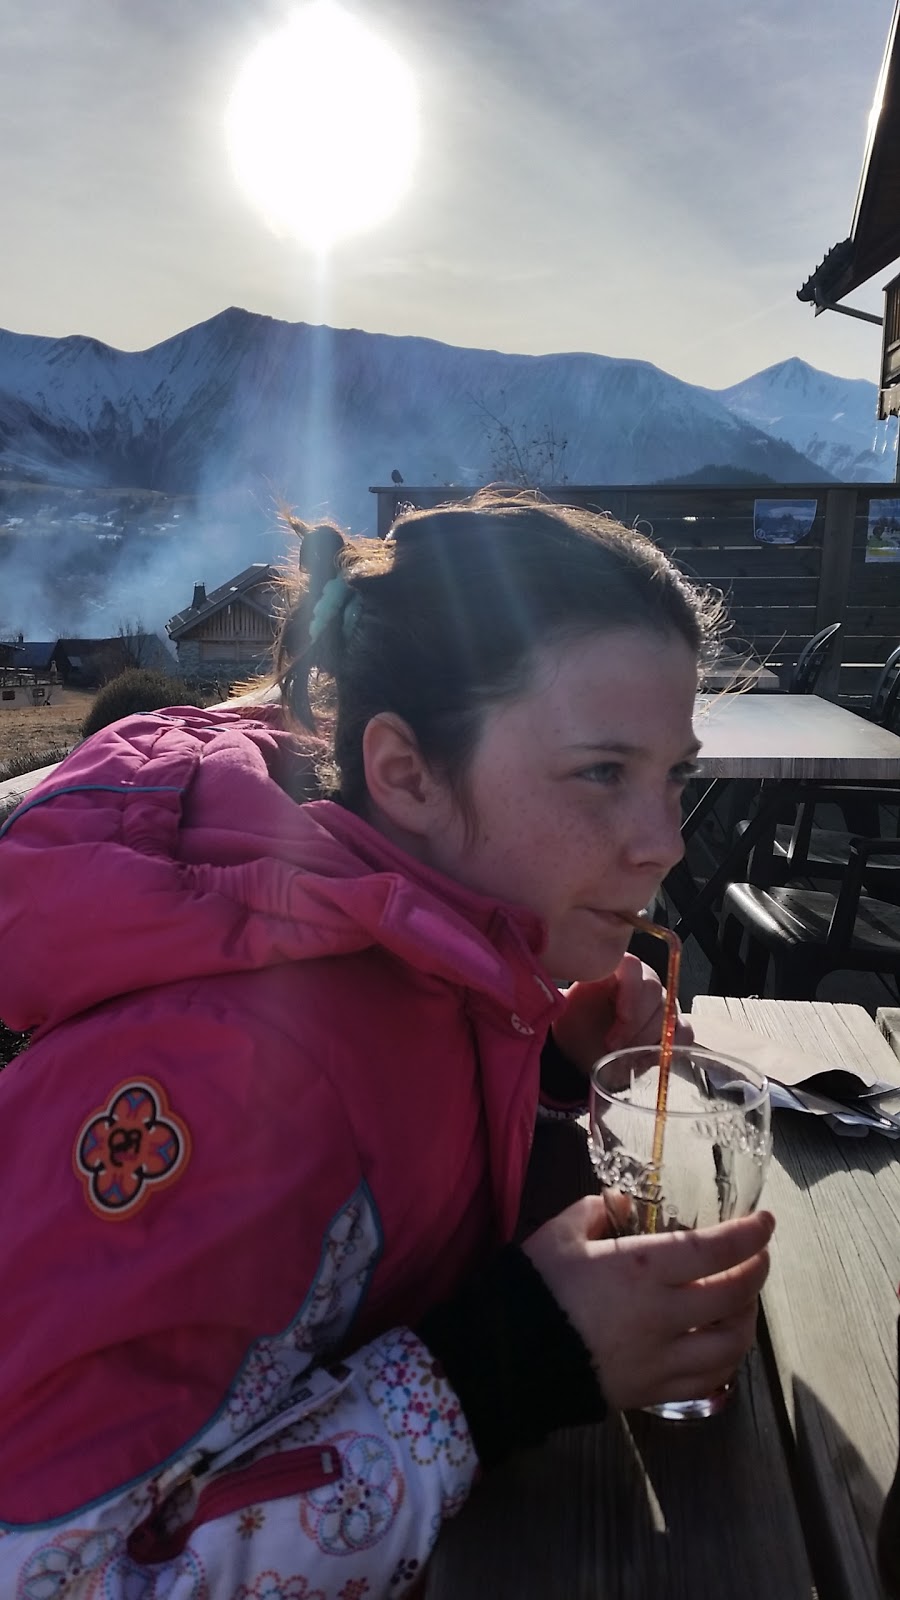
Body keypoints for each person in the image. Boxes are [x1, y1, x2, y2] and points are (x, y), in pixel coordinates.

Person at [0, 489, 774, 1599]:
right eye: (603, 772)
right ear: (406, 773)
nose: (665, 845)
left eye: (675, 776)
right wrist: (510, 1368)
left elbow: (362, 1252)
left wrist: (547, 1076)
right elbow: (62, 1573)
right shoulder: (236, 1074)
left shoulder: (440, 961)